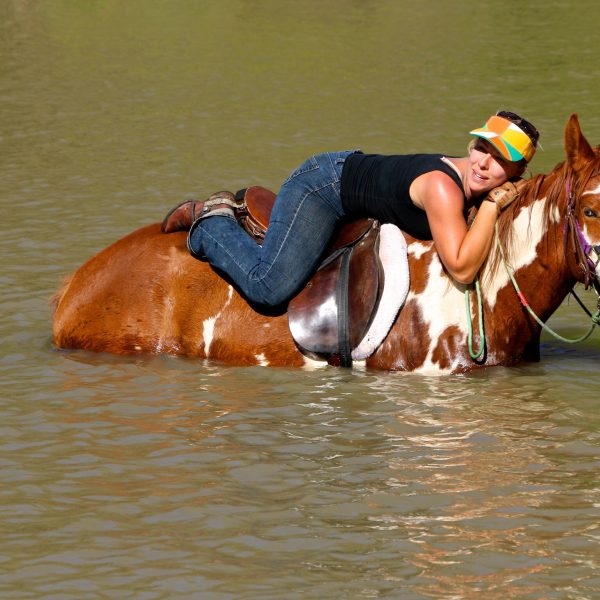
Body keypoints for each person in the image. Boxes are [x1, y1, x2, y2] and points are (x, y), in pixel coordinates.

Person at [161, 110, 539, 308]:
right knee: (268, 287)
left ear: (519, 171)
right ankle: (211, 221)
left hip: (349, 179)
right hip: (323, 186)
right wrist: (491, 205)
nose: (482, 163)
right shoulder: (444, 187)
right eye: (481, 148)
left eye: (500, 159)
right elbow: (461, 266)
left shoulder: (471, 184)